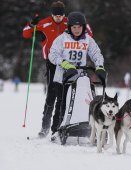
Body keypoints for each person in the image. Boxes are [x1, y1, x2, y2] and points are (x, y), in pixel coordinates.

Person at [22, 1, 93, 138]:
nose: (59, 18)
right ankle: (45, 127)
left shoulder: (70, 22)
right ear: (52, 14)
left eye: (61, 16)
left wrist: (84, 22)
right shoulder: (45, 23)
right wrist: (32, 25)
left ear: (64, 15)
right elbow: (26, 34)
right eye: (56, 16)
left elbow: (89, 33)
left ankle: (57, 127)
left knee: (63, 96)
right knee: (51, 95)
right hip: (52, 63)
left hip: (69, 64)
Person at [48, 11, 106, 140]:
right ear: (69, 27)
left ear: (84, 27)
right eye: (74, 27)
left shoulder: (88, 40)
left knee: (83, 102)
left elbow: (96, 54)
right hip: (63, 76)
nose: (77, 30)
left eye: (79, 27)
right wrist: (65, 64)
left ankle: (86, 127)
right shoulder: (62, 39)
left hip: (81, 77)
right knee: (62, 103)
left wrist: (100, 66)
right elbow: (52, 55)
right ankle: (56, 130)